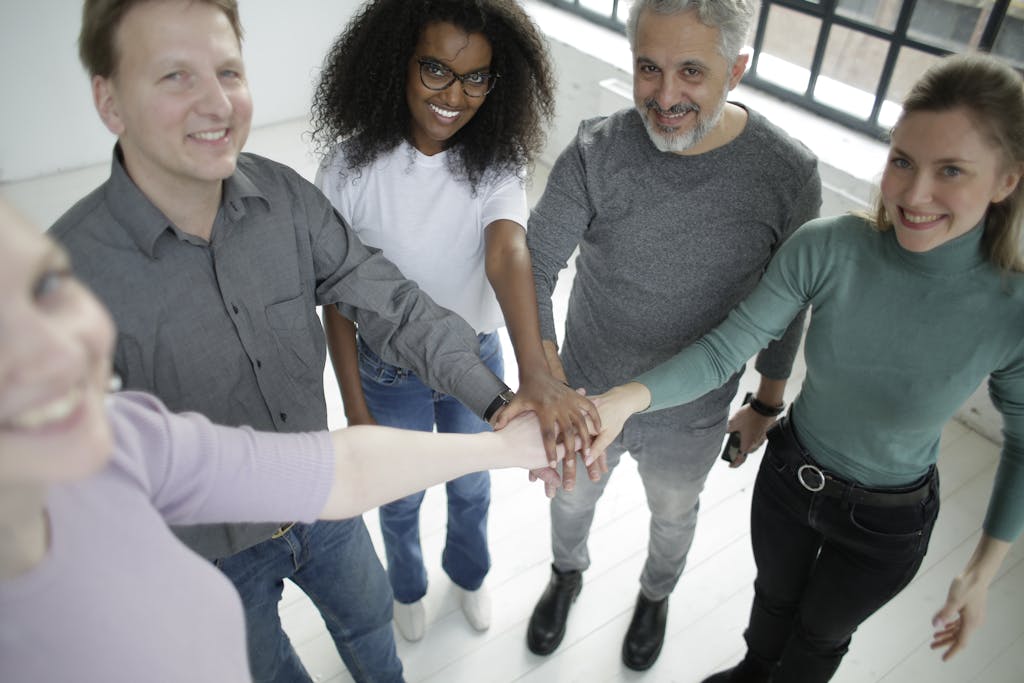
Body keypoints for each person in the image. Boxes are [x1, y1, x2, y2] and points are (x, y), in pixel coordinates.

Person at [50, 1, 545, 681]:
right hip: (209, 551)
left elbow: (391, 303)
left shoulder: (286, 201)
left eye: (229, 70)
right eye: (175, 76)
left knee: (373, 629)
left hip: (328, 505)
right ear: (109, 99)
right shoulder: (64, 281)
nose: (216, 102)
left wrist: (499, 401)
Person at [0, 198, 567, 682]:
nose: (56, 348)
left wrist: (510, 444)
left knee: (370, 622)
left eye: (48, 288)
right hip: (223, 554)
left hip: (325, 524)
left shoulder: (131, 439)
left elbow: (339, 469)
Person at [591, 53, 1024, 682]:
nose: (914, 193)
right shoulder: (831, 247)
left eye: (950, 171)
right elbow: (723, 348)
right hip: (793, 480)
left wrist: (981, 572)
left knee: (818, 641)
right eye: (902, 160)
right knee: (770, 609)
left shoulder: (1009, 311)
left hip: (887, 524)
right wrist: (622, 400)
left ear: (1007, 180)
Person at [524, 0, 821, 671]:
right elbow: (533, 268)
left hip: (694, 415)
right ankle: (565, 573)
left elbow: (787, 303)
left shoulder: (787, 175)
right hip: (585, 395)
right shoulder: (596, 152)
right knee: (569, 506)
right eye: (648, 68)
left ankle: (655, 595)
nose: (665, 96)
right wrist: (549, 379)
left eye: (692, 71)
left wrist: (768, 401)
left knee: (674, 517)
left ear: (737, 70)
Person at [309, 0, 596, 642]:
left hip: (477, 361)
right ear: (396, 63)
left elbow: (508, 250)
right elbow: (336, 299)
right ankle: (406, 587)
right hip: (388, 373)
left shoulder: (495, 162)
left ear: (497, 83)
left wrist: (534, 373)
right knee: (401, 496)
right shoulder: (349, 168)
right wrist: (355, 408)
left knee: (471, 488)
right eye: (435, 69)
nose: (454, 95)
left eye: (475, 77)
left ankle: (467, 576)